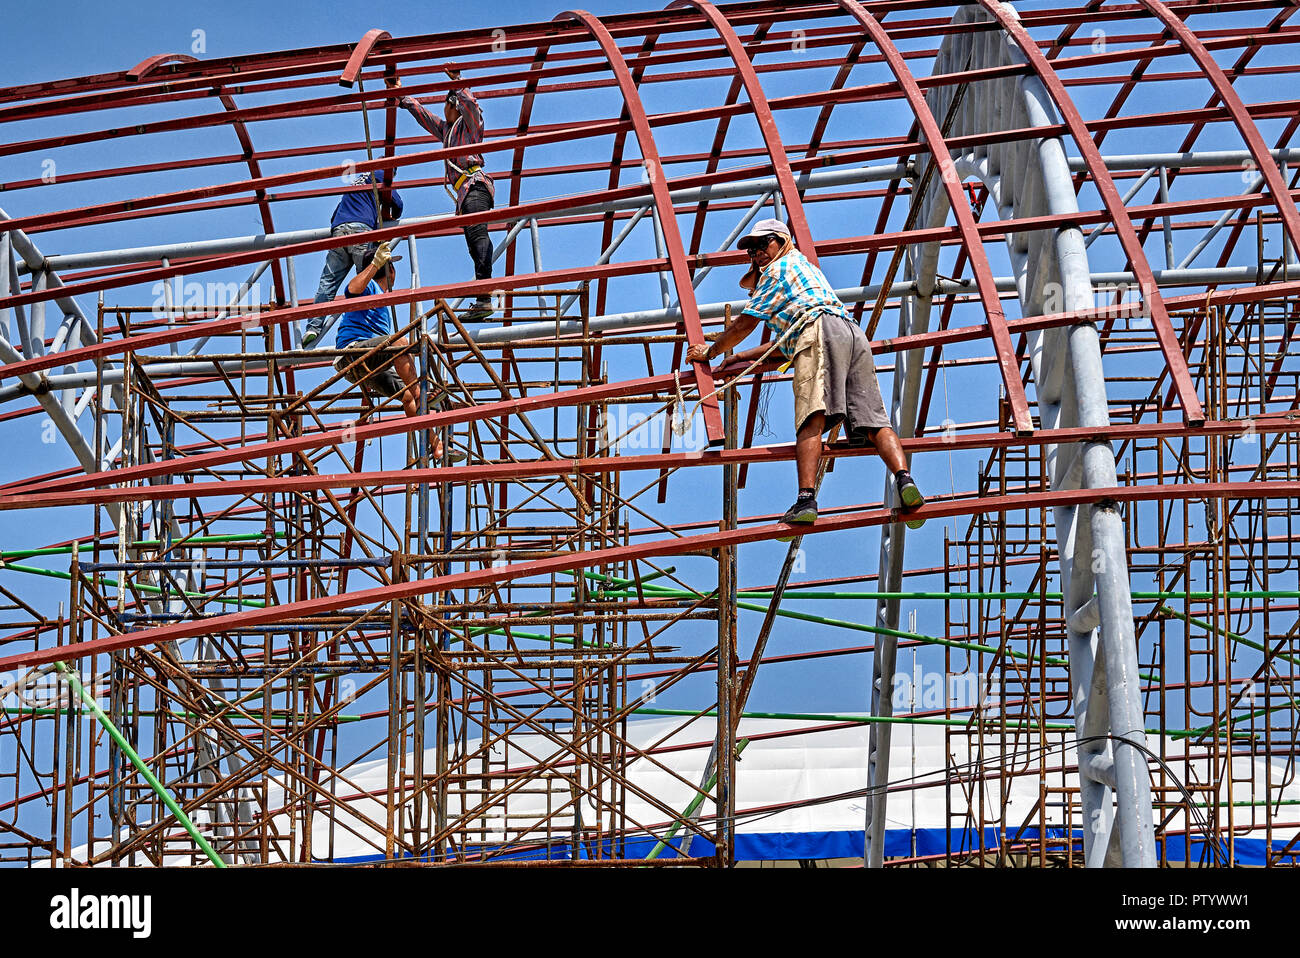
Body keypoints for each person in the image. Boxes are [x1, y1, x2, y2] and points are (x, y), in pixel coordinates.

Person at [684, 219, 925, 536]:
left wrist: (711, 352)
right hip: (850, 333)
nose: (756, 254)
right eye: (751, 251)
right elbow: (790, 342)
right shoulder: (804, 271)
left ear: (781, 241)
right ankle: (904, 479)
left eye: (762, 244)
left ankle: (806, 499)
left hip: (819, 333)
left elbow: (745, 324)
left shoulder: (775, 271)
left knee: (812, 415)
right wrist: (742, 357)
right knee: (874, 421)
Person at [334, 241, 452, 459]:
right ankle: (422, 394)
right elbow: (351, 291)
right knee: (399, 343)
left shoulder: (381, 297)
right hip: (352, 354)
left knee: (407, 396)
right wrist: (374, 265)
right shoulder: (370, 287)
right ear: (390, 270)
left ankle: (435, 444)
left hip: (367, 366)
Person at [396, 68, 496, 321]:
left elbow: (472, 106)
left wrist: (459, 83)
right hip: (464, 192)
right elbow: (424, 116)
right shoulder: (448, 131)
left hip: (475, 185)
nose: (443, 109)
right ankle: (482, 298)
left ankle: (485, 296)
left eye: (446, 103)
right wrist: (401, 93)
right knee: (473, 243)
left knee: (477, 234)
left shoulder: (469, 125)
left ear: (454, 105)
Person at [302, 168, 404, 348]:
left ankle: (313, 328)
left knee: (328, 282)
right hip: (360, 230)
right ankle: (365, 331)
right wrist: (390, 216)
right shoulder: (380, 174)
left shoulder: (355, 183)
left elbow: (335, 214)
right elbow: (397, 202)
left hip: (339, 231)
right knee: (366, 282)